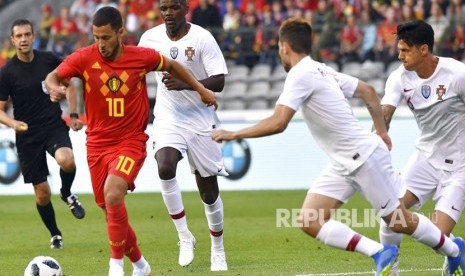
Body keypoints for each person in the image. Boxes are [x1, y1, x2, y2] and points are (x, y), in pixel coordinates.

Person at [212, 17, 465, 276]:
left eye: (279, 48)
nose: (400, 56)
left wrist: (234, 134)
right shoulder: (321, 69)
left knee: (398, 221)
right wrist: (380, 130)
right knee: (310, 220)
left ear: (284, 47)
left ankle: (455, 251)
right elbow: (367, 91)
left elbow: (279, 122)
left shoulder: (301, 74)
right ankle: (380, 253)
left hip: (365, 157)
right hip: (346, 160)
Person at [44, 6, 217, 276]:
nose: (100, 44)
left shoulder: (141, 57)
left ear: (120, 33)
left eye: (106, 37)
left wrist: (201, 89)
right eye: (96, 38)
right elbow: (53, 76)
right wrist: (54, 87)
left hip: (130, 141)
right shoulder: (84, 58)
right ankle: (141, 265)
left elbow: (171, 65)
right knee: (110, 210)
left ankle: (116, 268)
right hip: (97, 145)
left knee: (114, 194)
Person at [137, 0, 228, 271]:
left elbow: (220, 80)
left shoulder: (202, 38)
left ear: (185, 8)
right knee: (164, 166)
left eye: (173, 8)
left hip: (201, 121)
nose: (167, 13)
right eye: (163, 8)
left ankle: (218, 248)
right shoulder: (149, 38)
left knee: (209, 192)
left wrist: (187, 84)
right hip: (168, 118)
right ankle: (184, 236)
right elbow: (135, 72)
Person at [379, 20, 465, 276]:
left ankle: (456, 250)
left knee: (437, 237)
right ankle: (389, 269)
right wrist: (379, 136)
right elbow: (385, 113)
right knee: (391, 213)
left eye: (405, 50)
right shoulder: (399, 78)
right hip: (425, 158)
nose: (399, 55)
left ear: (424, 49)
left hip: (459, 164)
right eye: (399, 49)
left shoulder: (457, 75)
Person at [0, 19, 85, 250]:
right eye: (19, 36)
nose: (24, 39)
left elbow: (70, 84)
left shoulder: (48, 60)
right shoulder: (7, 71)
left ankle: (67, 193)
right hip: (27, 137)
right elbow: (0, 110)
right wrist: (12, 123)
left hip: (52, 126)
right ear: (13, 40)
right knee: (42, 195)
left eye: (27, 34)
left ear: (33, 35)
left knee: (66, 160)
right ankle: (55, 233)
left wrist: (75, 115)